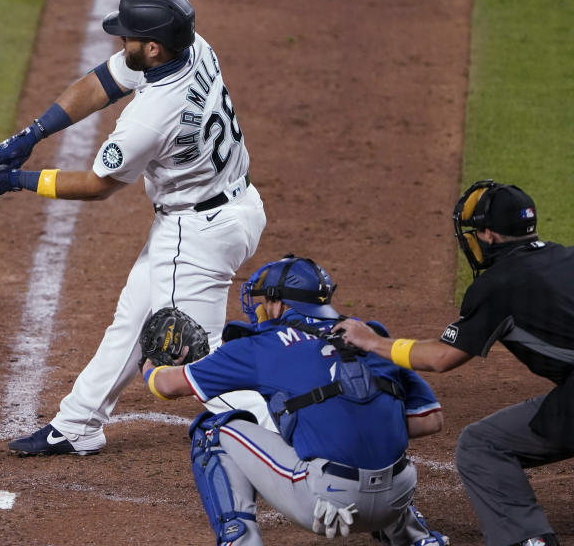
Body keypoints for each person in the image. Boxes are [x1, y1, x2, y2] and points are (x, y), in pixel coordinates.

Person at [0, 0, 269, 455]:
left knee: (200, 355)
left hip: (194, 235)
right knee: (134, 319)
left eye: (128, 37)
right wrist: (34, 132)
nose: (121, 43)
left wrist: (18, 182)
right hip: (234, 204)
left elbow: (98, 185)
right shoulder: (194, 48)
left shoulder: (150, 118)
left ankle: (290, 443)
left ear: (152, 47)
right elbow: (102, 83)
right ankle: (79, 424)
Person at [141, 255, 448, 546]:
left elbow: (168, 385)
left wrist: (150, 367)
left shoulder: (262, 346)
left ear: (280, 303)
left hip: (327, 500)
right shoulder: (370, 335)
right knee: (349, 425)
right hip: (396, 499)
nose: (262, 308)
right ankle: (416, 536)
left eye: (266, 301)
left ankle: (239, 540)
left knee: (213, 434)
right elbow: (428, 419)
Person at [337, 180, 574, 546]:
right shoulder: (565, 256)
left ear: (489, 235)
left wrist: (372, 342)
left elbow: (441, 357)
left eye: (476, 232)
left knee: (482, 445)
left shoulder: (497, 285)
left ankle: (527, 540)